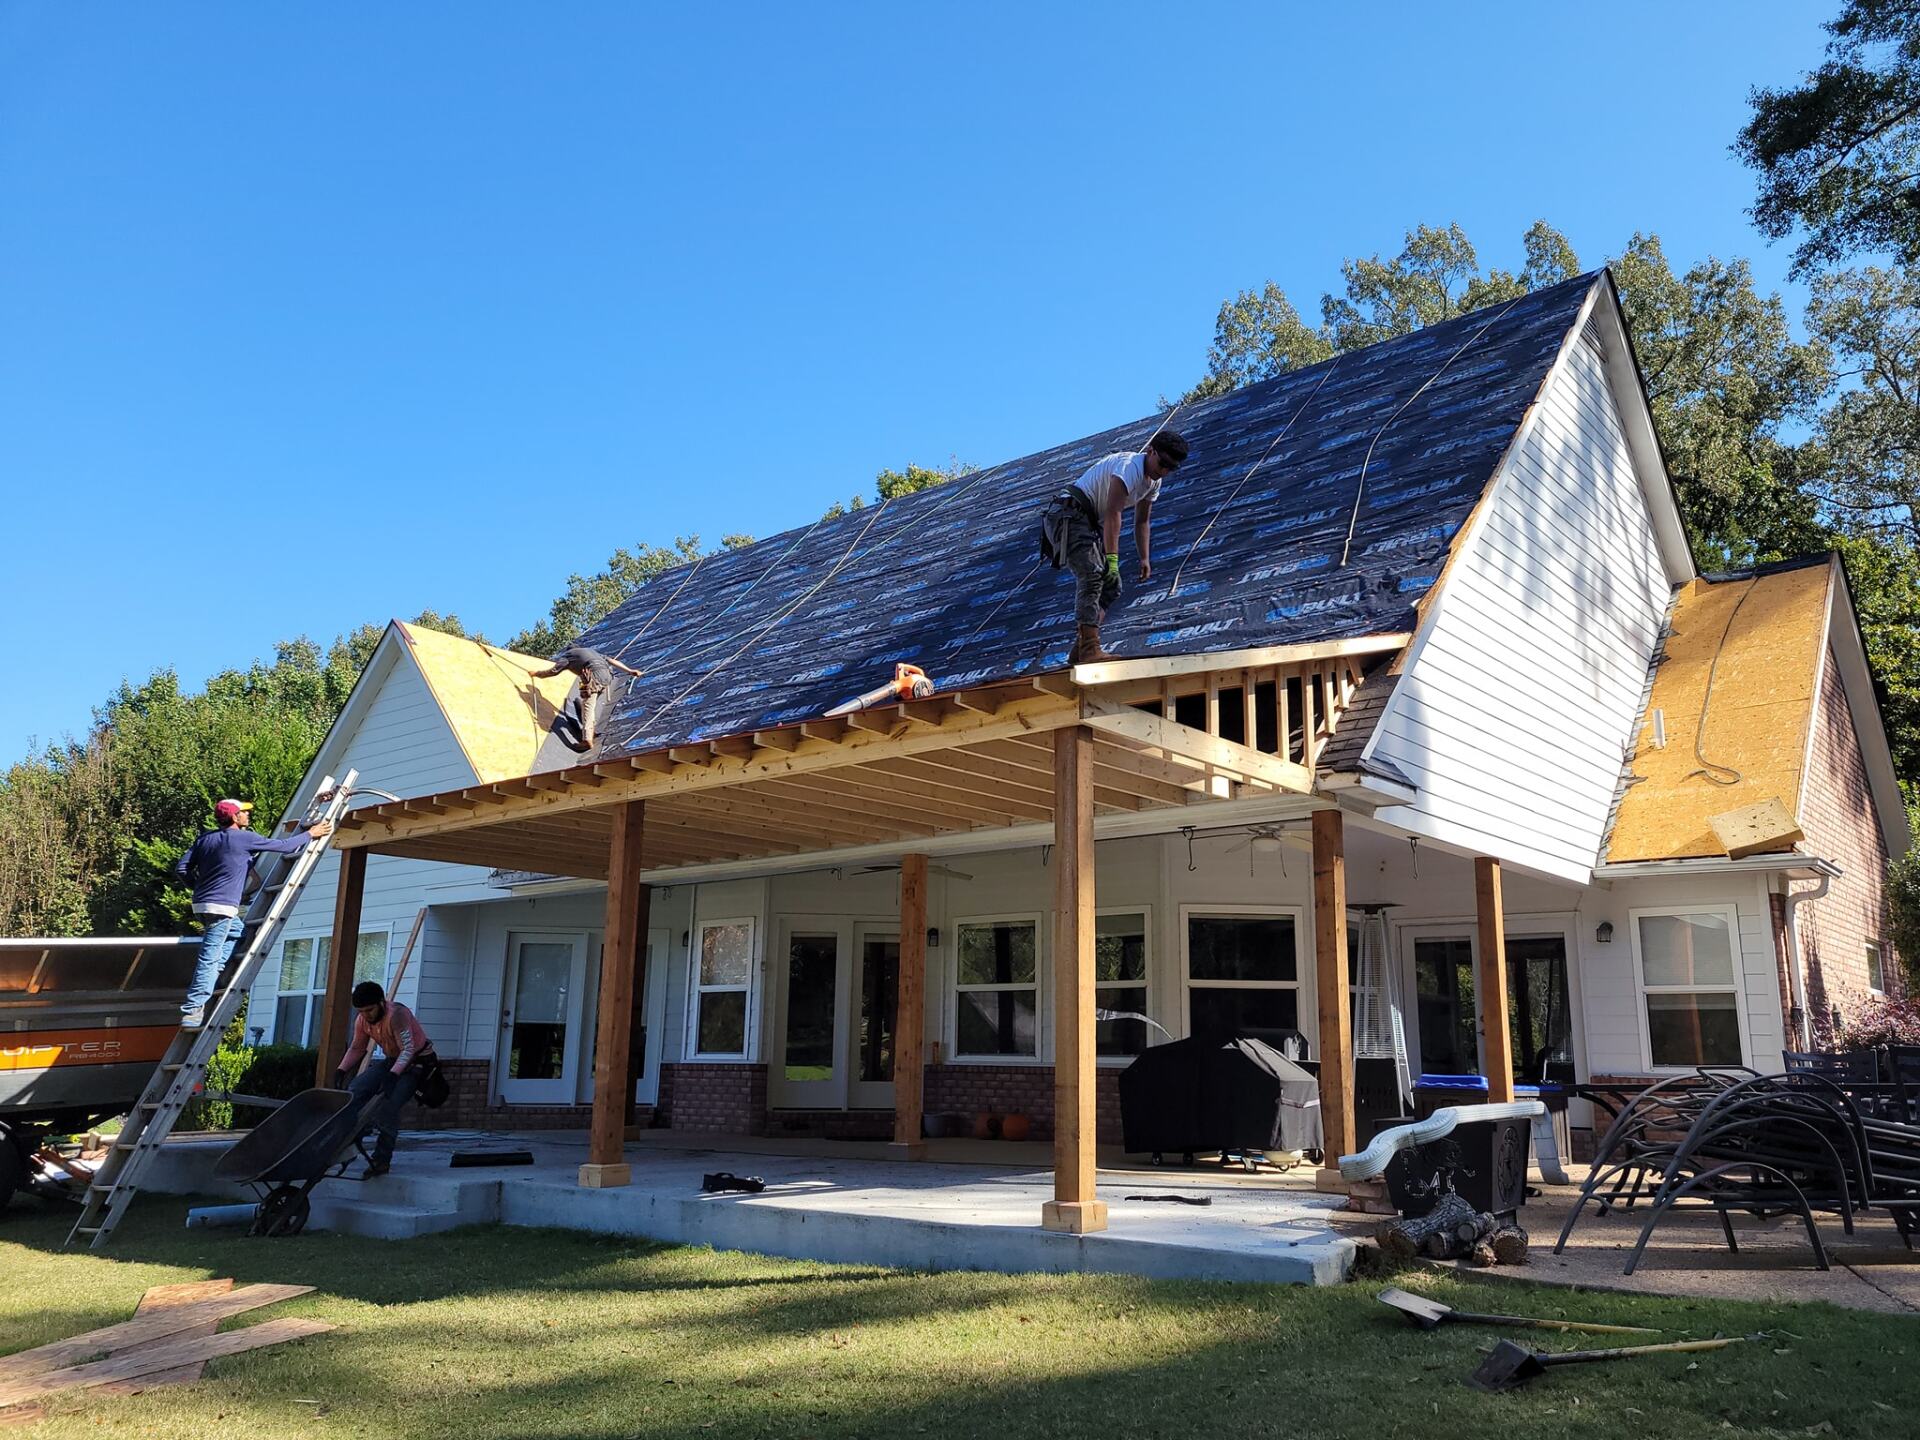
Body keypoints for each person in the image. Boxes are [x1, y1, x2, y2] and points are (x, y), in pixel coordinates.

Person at [172, 799, 333, 1029]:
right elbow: (285, 846)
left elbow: (182, 869)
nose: (248, 815)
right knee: (209, 957)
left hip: (202, 904)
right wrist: (311, 834)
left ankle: (216, 971)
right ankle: (192, 1010)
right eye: (244, 813)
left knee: (238, 932)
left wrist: (199, 886)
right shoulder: (244, 838)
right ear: (235, 817)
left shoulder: (205, 839)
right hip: (222, 907)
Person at [1039, 429, 1188, 664]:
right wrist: (1112, 560)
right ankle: (1090, 649)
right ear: (1150, 451)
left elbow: (1142, 521)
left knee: (1113, 585)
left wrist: (1144, 558)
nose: (1165, 471)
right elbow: (1113, 514)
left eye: (1172, 468)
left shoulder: (1154, 483)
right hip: (1069, 514)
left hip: (1086, 523)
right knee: (1093, 575)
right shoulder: (1129, 467)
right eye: (1163, 463)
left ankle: (1080, 650)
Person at [332, 980, 436, 1177]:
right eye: (361, 1011)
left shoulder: (397, 1015)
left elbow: (409, 1050)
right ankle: (349, 1145)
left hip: (417, 1063)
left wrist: (393, 1076)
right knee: (355, 1091)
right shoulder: (362, 1019)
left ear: (381, 1002)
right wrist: (341, 1069)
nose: (366, 1015)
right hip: (393, 1060)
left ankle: (381, 1160)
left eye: (370, 1010)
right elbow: (357, 1047)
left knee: (387, 1107)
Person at [531, 643, 644, 751]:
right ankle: (591, 730)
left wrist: (537, 673)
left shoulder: (568, 655)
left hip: (594, 677)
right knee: (590, 703)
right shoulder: (591, 651)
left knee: (587, 708)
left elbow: (554, 671)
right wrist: (630, 671)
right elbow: (611, 661)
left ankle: (587, 740)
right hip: (607, 677)